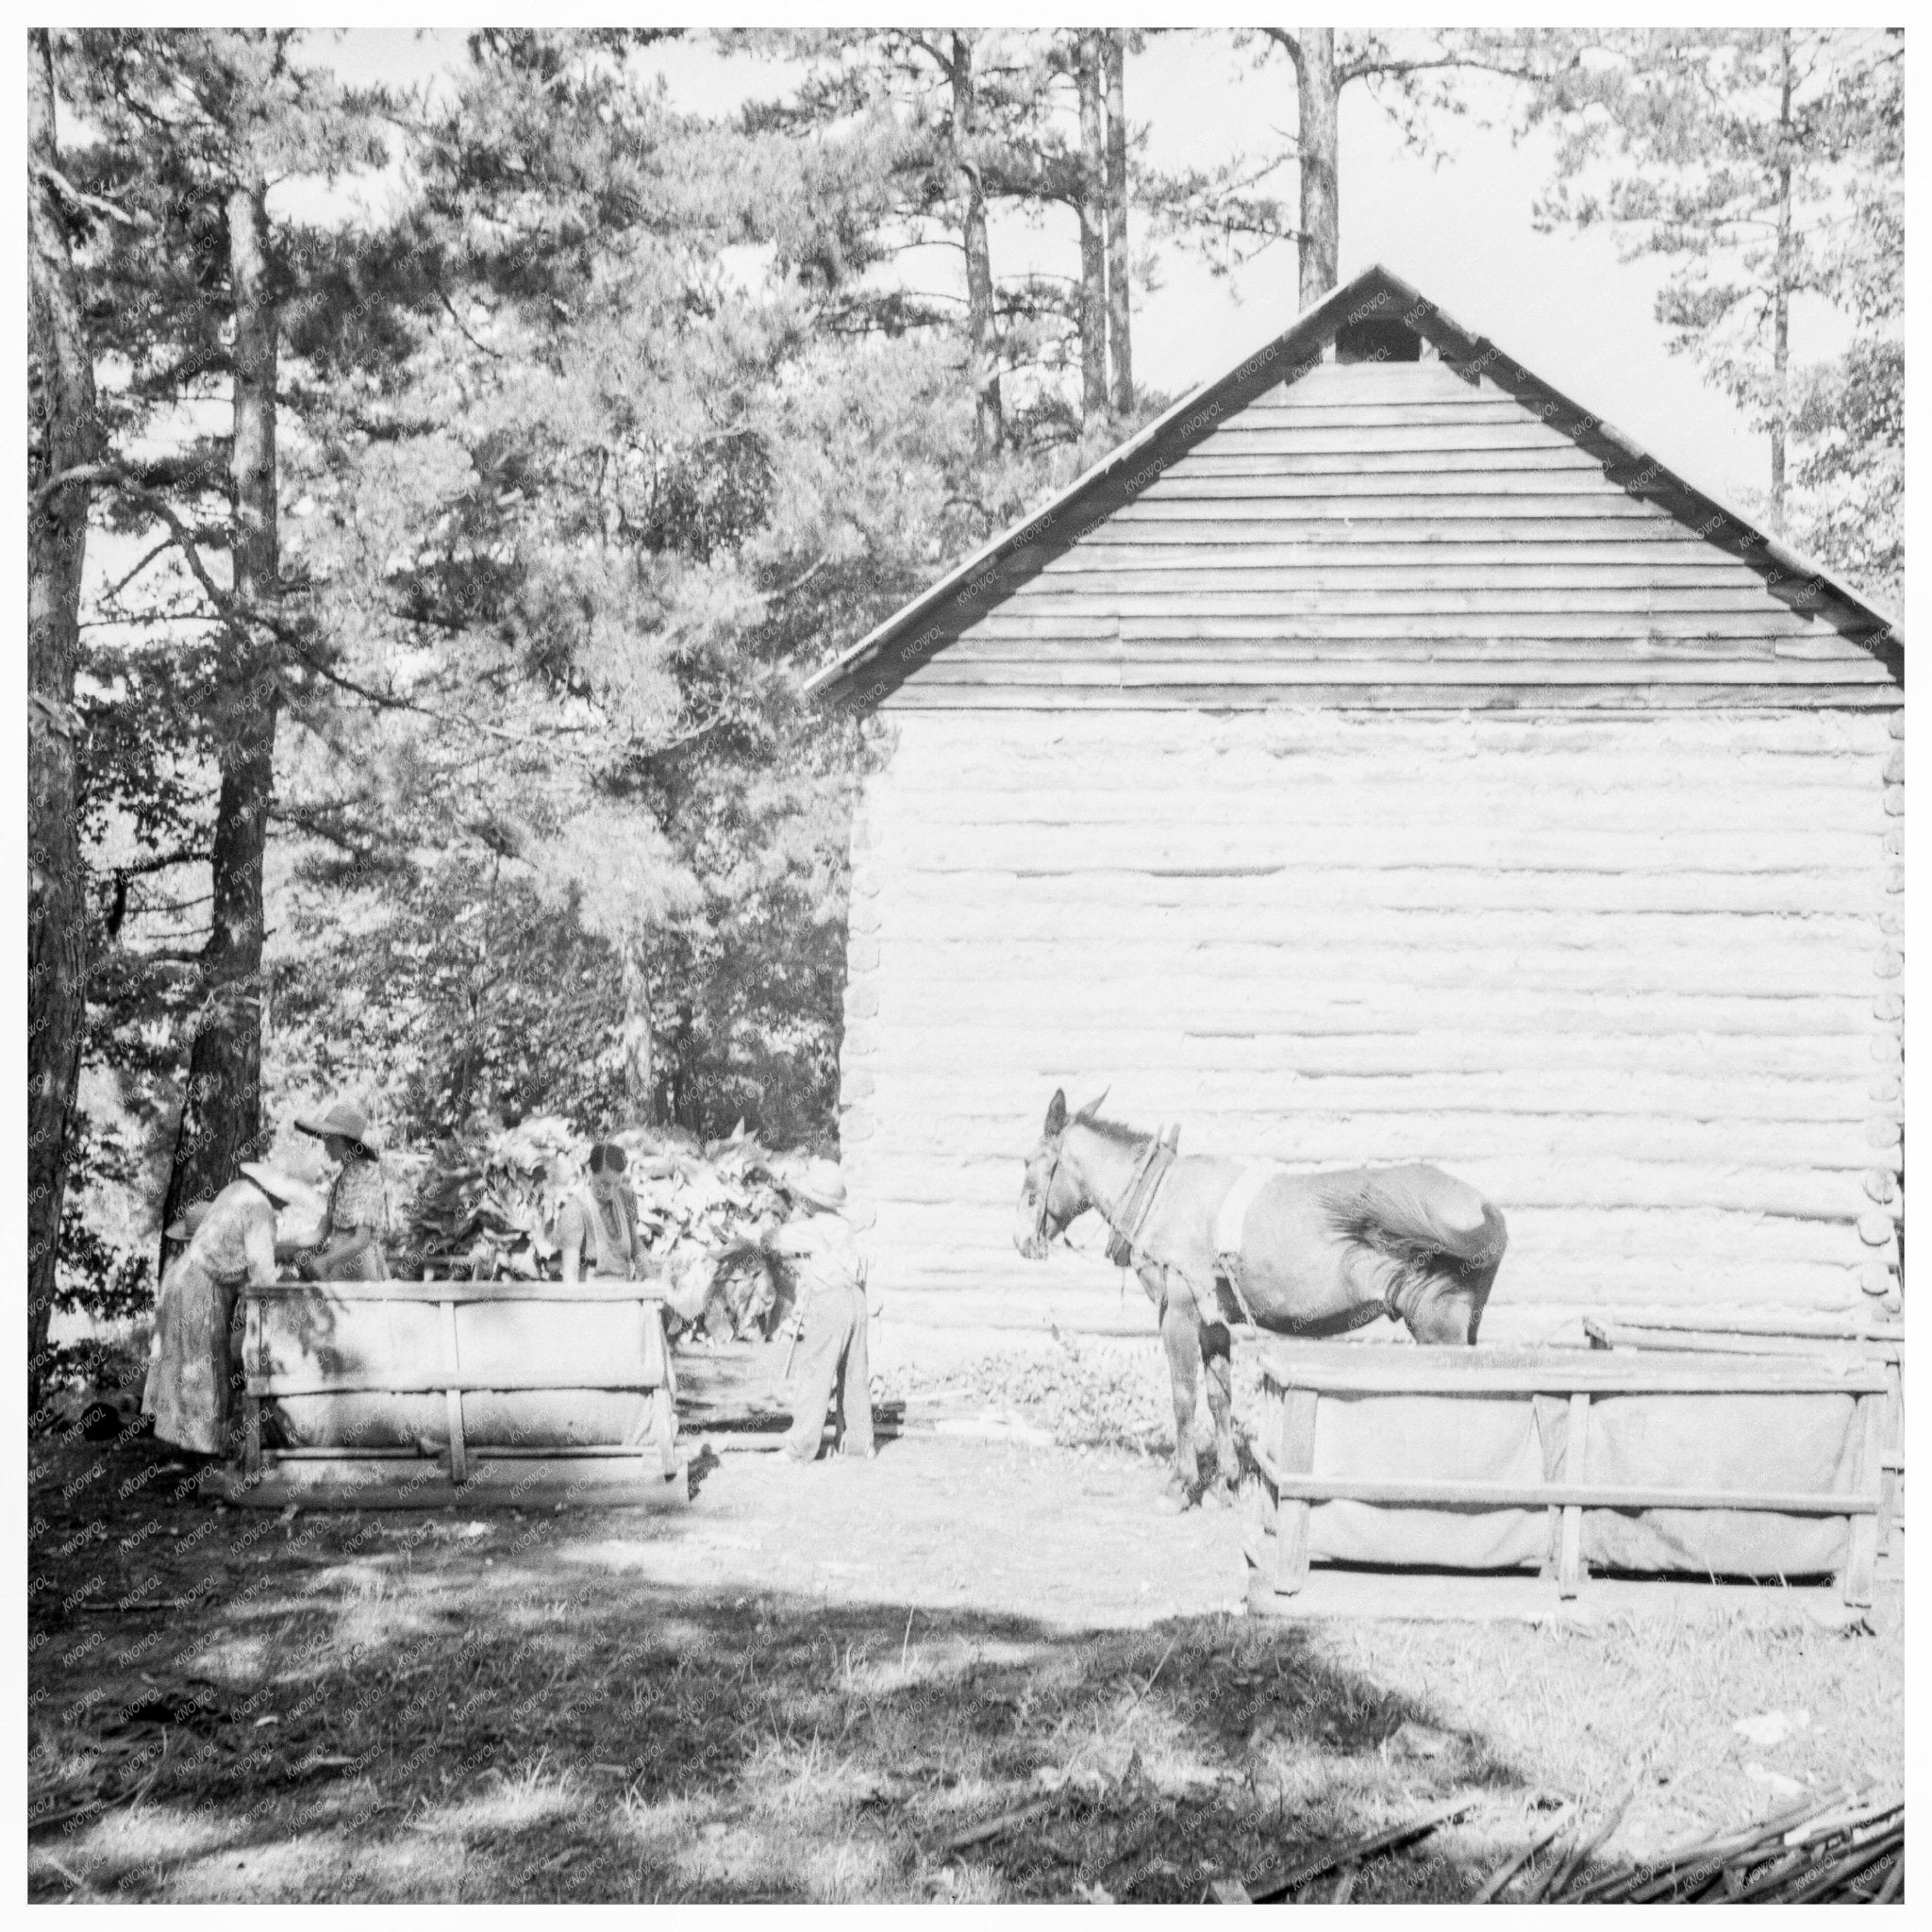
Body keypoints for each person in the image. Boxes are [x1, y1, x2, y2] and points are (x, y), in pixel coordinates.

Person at [143, 1163, 318, 1459]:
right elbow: (262, 1276)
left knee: (195, 1367)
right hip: (199, 1288)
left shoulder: (240, 1191)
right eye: (287, 1198)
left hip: (184, 1278)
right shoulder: (261, 1210)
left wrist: (302, 1245)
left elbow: (251, 1249)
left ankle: (189, 1453)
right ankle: (202, 1459)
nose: (286, 1205)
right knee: (204, 1370)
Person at [765, 1158, 874, 1466]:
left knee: (814, 1373)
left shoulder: (812, 1229)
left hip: (831, 1303)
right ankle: (859, 1444)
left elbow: (774, 1240)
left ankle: (800, 1449)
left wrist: (771, 1228)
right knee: (854, 1375)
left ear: (810, 1200)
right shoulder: (844, 1225)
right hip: (856, 1300)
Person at [292, 1101, 391, 1281]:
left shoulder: (365, 1175)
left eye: (330, 1140)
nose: (326, 1146)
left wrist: (327, 1261)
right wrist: (288, 1246)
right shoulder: (343, 1177)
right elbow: (322, 1231)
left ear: (346, 1142)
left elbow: (361, 1240)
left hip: (357, 1266)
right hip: (338, 1262)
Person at [556, 1141, 643, 1282]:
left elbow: (636, 1245)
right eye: (605, 1184)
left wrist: (652, 1278)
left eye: (617, 1184)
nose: (611, 1192)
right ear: (590, 1171)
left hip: (625, 1292)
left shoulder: (627, 1197)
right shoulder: (576, 1209)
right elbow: (570, 1272)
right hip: (591, 1297)